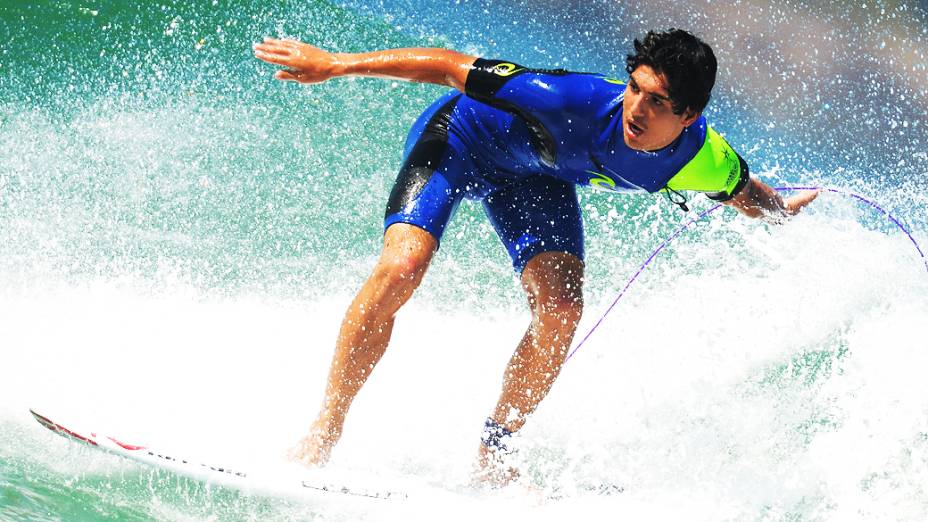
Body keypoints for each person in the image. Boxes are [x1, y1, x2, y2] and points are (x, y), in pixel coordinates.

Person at [253, 28, 819, 483]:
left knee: (561, 312)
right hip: (462, 140)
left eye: (658, 101)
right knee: (403, 268)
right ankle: (323, 432)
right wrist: (336, 64)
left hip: (535, 176)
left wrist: (782, 212)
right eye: (635, 87)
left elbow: (749, 195)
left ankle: (493, 452)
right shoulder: (565, 100)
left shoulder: (702, 160)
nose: (637, 107)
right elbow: (453, 66)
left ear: (689, 116)